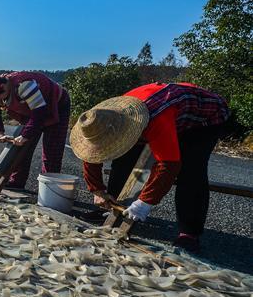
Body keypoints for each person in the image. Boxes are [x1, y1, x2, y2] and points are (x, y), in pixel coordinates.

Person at [69, 82, 229, 252]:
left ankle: (189, 233)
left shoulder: (155, 119)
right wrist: (97, 190)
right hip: (161, 109)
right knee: (124, 159)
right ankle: (112, 207)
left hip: (203, 118)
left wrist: (145, 202)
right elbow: (93, 153)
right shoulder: (99, 118)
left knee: (190, 170)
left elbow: (168, 164)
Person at [0, 72, 71, 190]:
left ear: (3, 87)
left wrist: (26, 135)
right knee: (20, 147)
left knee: (52, 151)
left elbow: (39, 112)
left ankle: (48, 189)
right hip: (33, 109)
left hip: (56, 104)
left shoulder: (24, 85)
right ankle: (16, 182)